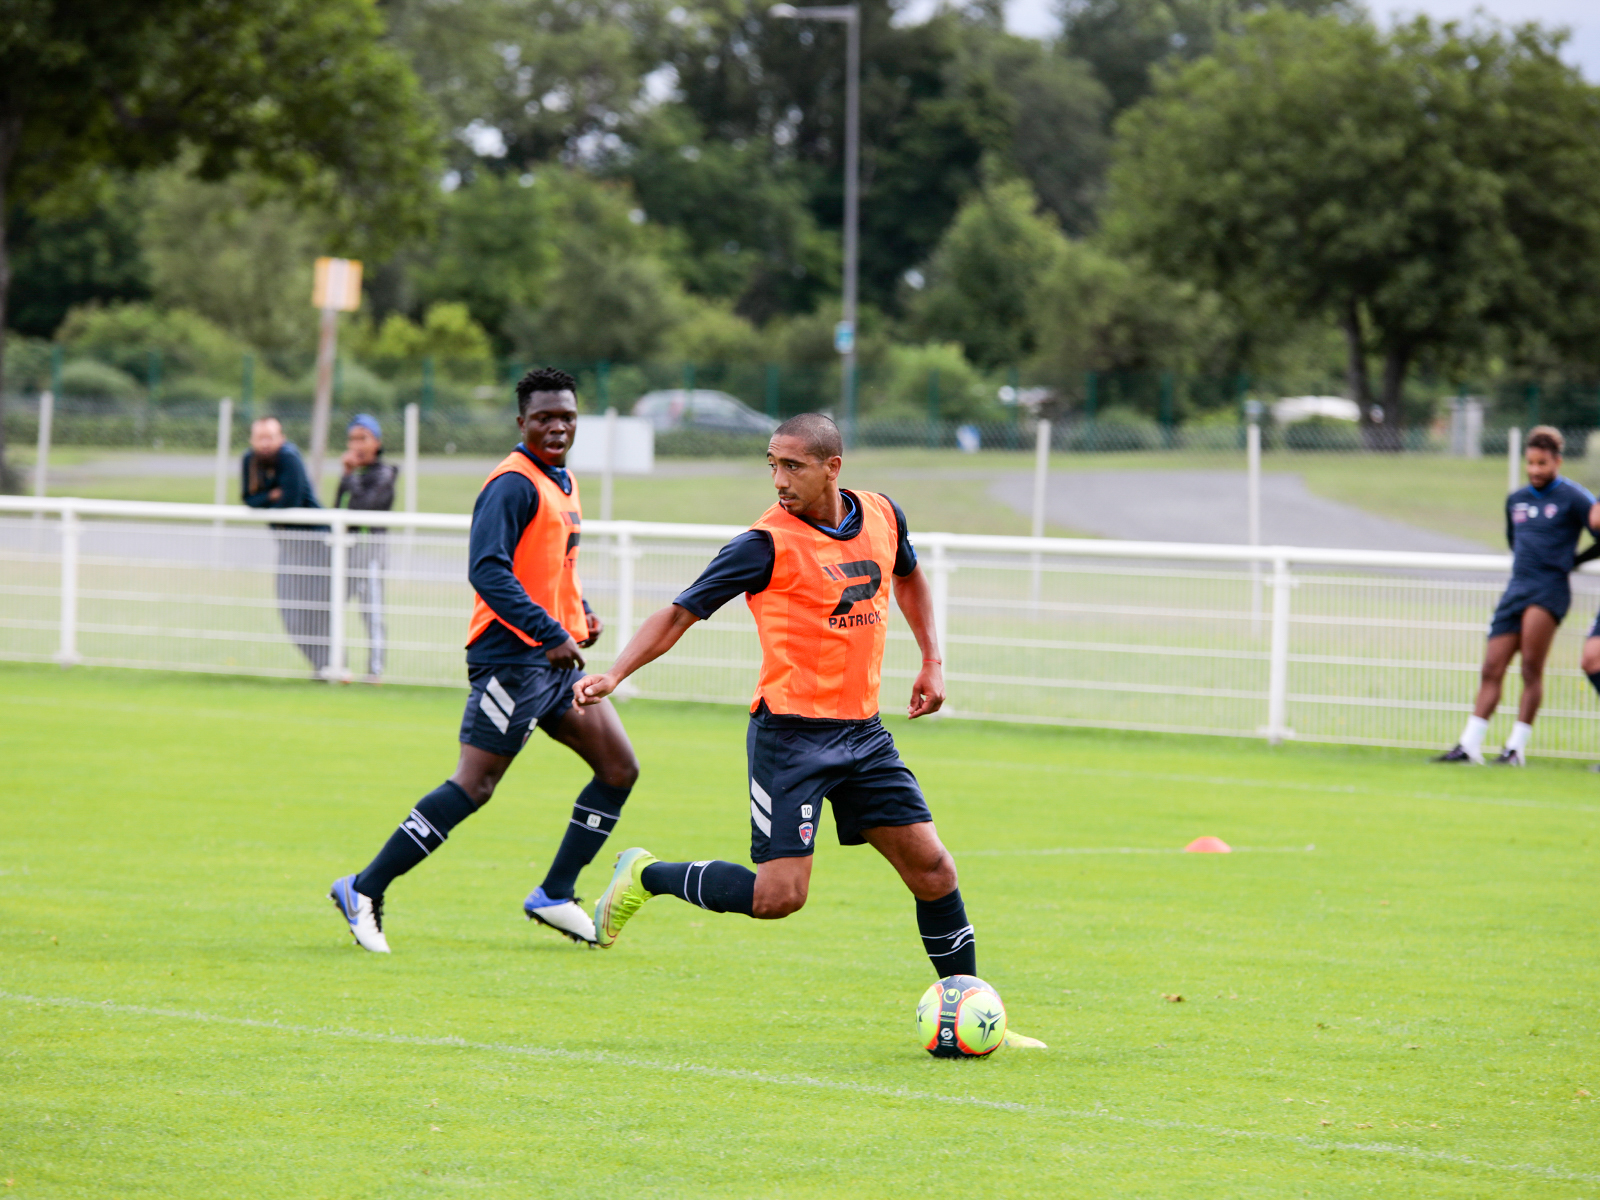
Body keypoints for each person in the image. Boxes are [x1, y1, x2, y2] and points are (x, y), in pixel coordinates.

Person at [571, 413, 1038, 1048]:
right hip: (790, 740)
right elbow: (679, 614)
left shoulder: (882, 514)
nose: (779, 479)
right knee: (779, 898)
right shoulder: (762, 544)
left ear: (831, 467)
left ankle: (976, 1013)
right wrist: (615, 673)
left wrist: (932, 659)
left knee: (933, 869)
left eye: (792, 466)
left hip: (864, 735)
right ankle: (646, 875)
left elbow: (908, 577)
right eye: (772, 465)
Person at [329, 368, 640, 952]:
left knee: (619, 769)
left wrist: (581, 613)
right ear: (522, 422)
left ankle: (554, 894)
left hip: (552, 662)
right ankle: (363, 888)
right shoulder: (512, 484)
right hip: (511, 661)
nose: (557, 427)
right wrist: (549, 630)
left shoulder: (562, 479)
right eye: (545, 417)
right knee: (475, 785)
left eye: (567, 417)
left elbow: (554, 566)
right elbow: (488, 570)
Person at [1435, 425, 1599, 766]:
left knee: (1530, 668)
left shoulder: (1573, 497)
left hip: (1549, 590)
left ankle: (1515, 749)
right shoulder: (1516, 500)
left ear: (1557, 461)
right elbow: (1516, 542)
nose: (1535, 470)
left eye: (1542, 463)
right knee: (1491, 666)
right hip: (1517, 588)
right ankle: (1469, 746)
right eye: (1530, 463)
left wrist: (1574, 560)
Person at [241, 416, 331, 676]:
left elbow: (290, 500)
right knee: (290, 612)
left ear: (281, 437)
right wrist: (271, 495)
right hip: (288, 546)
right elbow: (249, 498)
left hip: (315, 543)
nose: (265, 443)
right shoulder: (250, 460)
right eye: (260, 438)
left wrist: (266, 500)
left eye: (270, 437)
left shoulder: (289, 457)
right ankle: (321, 665)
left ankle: (330, 665)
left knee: (315, 610)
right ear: (252, 440)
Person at [333, 414, 398, 682]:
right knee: (333, 603)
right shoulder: (352, 474)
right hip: (347, 548)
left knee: (372, 609)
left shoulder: (385, 474)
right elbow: (339, 507)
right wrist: (347, 476)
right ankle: (334, 663)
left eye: (363, 438)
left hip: (371, 548)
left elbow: (363, 506)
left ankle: (375, 670)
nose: (357, 445)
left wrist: (350, 476)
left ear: (377, 442)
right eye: (352, 439)